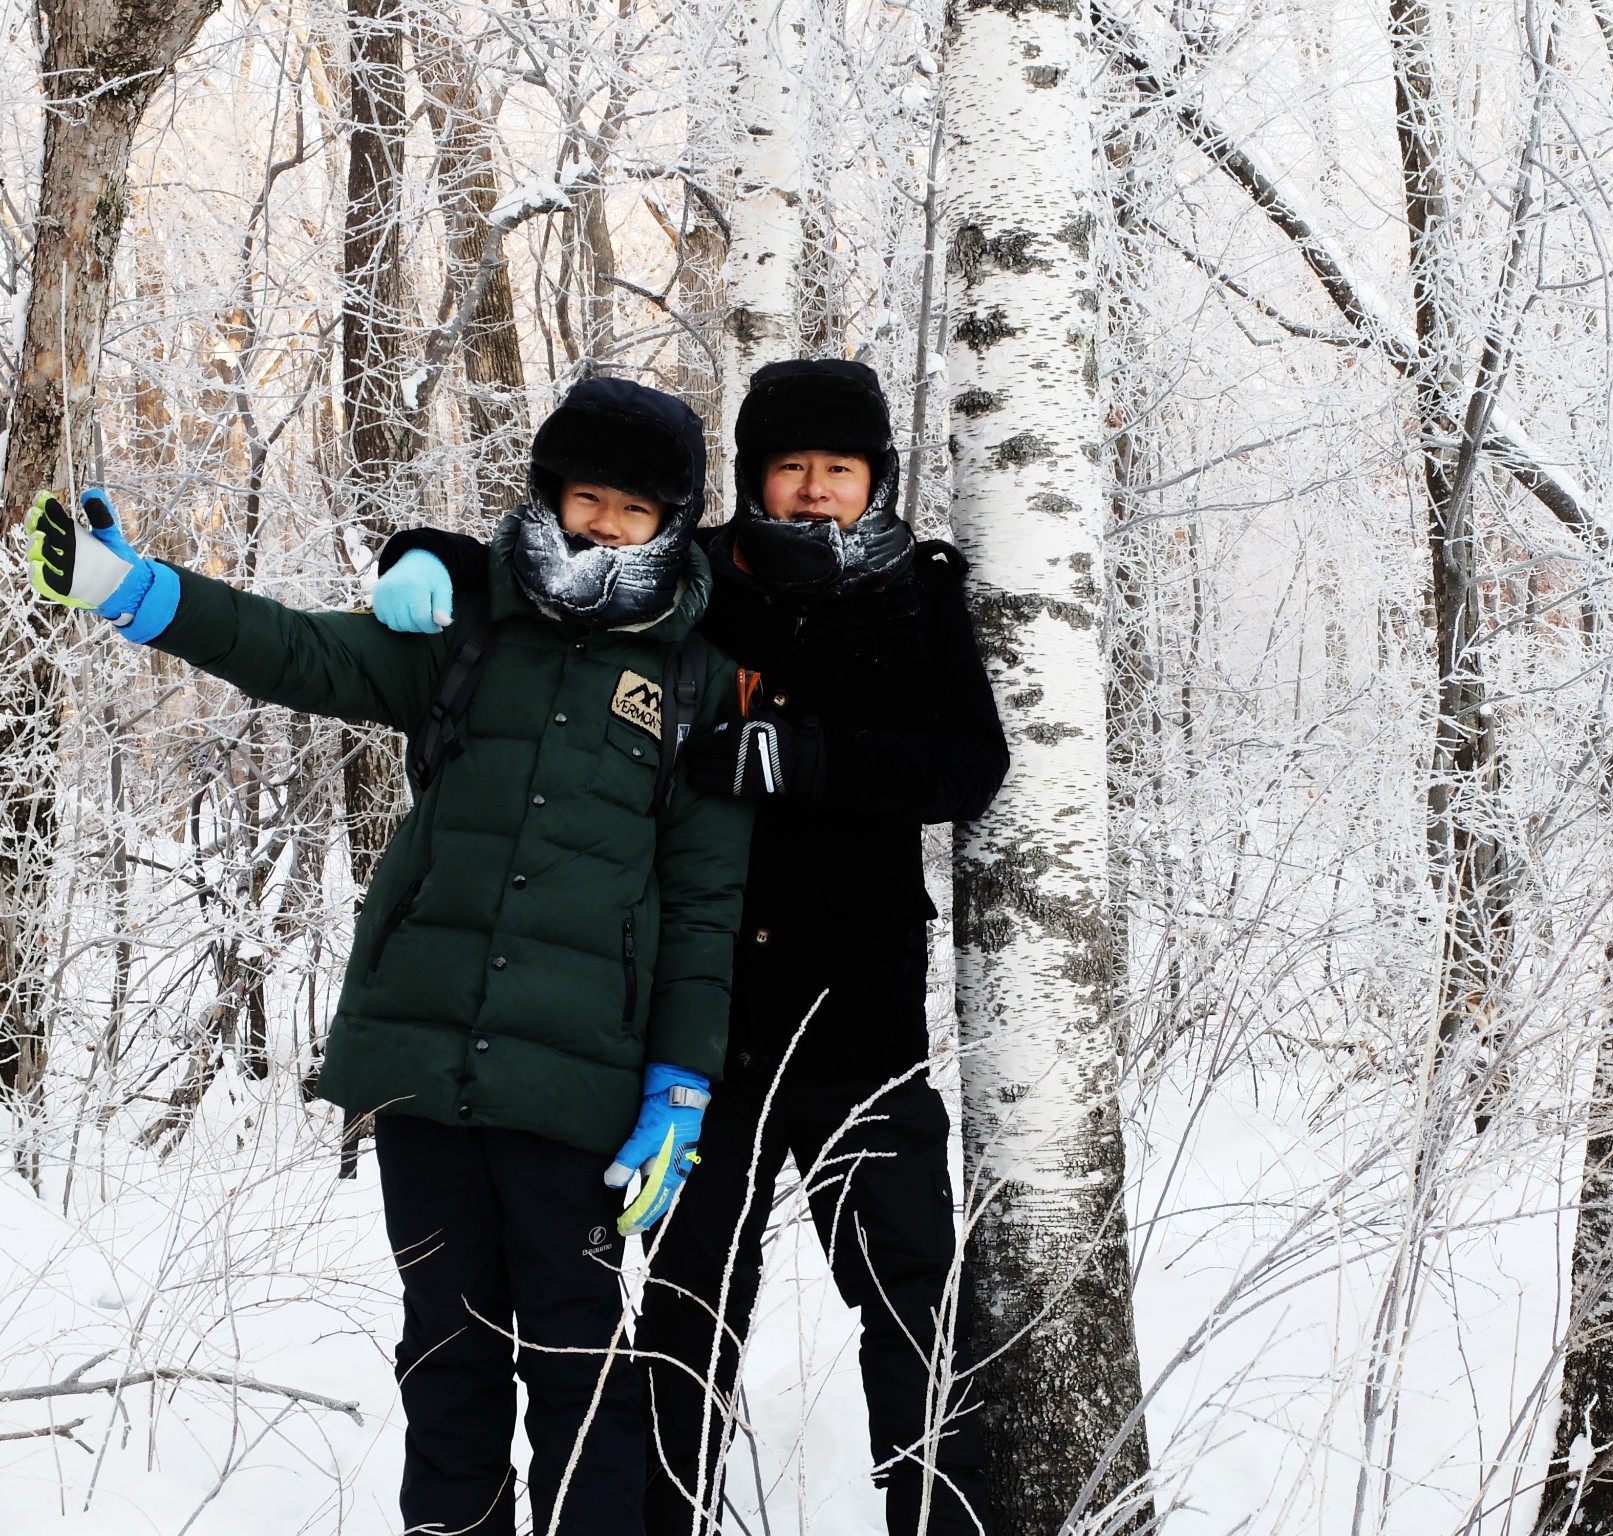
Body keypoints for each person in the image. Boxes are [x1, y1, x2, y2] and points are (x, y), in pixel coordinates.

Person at [23, 377, 757, 1536]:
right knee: (446, 1356)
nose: (603, 525)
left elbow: (707, 903)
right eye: (586, 497)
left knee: (576, 1358)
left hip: (577, 1082)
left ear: (671, 521)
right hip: (423, 1058)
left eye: (631, 508)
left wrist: (680, 1080)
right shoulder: (467, 631)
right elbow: (300, 656)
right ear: (549, 496)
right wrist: (139, 594)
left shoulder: (698, 685)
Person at [372, 359, 1009, 1534]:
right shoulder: (700, 581)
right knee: (681, 1314)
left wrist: (809, 759)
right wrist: (424, 550)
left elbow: (967, 766)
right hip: (700, 1031)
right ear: (754, 479)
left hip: (859, 1024)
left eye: (839, 469)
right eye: (791, 467)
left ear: (875, 479)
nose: (815, 491)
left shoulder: (916, 596)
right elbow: (545, 574)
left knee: (914, 1301)